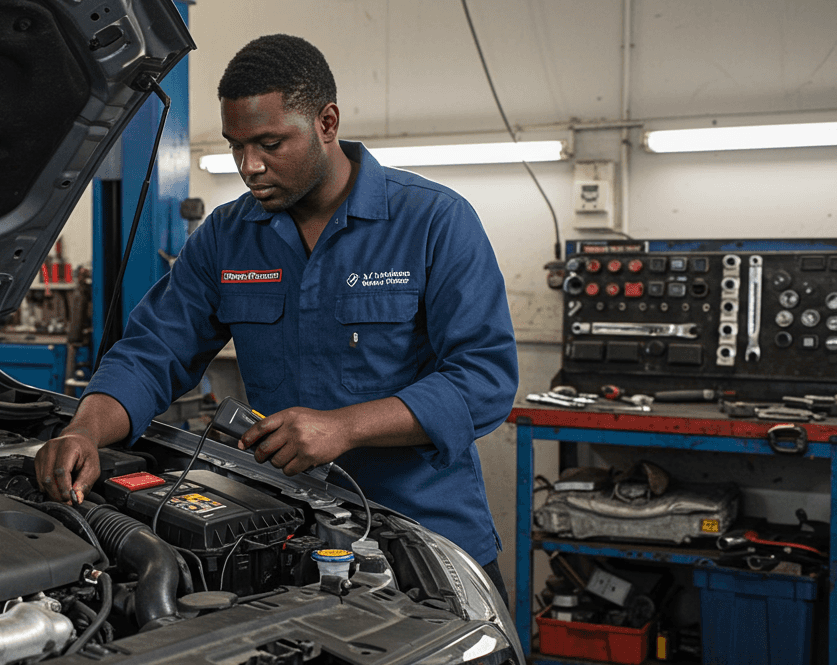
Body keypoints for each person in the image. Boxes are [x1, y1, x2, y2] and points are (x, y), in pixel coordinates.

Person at [35, 33, 519, 600]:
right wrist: (84, 431)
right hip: (285, 538)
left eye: (270, 143)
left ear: (327, 122)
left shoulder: (434, 221)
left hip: (424, 543)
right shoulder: (227, 237)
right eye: (236, 146)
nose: (249, 166)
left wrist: (344, 427)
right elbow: (152, 353)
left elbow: (485, 381)